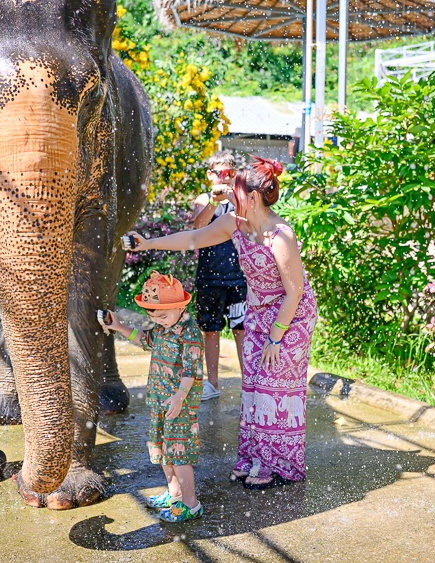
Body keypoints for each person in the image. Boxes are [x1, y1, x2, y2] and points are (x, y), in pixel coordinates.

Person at [125, 156, 317, 490]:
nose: (230, 195)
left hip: (291, 317)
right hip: (260, 312)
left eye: (235, 192)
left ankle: (279, 465)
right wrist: (149, 243)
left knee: (274, 387)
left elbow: (295, 292)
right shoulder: (234, 223)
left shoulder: (280, 236)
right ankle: (255, 457)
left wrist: (275, 338)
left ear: (252, 198)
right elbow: (193, 239)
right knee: (253, 387)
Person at [102, 272, 204, 522]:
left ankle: (191, 503)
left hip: (179, 404)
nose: (158, 321)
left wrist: (179, 397)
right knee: (162, 449)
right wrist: (119, 327)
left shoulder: (189, 332)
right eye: (153, 316)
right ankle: (174, 493)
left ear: (181, 307)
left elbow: (191, 370)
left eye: (163, 316)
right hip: (160, 400)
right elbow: (145, 340)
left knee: (178, 454)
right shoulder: (162, 327)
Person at [190, 150, 246, 399]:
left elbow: (251, 221)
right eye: (220, 173)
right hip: (209, 276)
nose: (224, 178)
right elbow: (198, 228)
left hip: (239, 276)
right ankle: (212, 383)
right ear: (209, 175)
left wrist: (232, 197)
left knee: (241, 329)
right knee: (210, 330)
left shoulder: (240, 198)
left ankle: (249, 382)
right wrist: (214, 201)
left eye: (229, 173)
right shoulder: (203, 199)